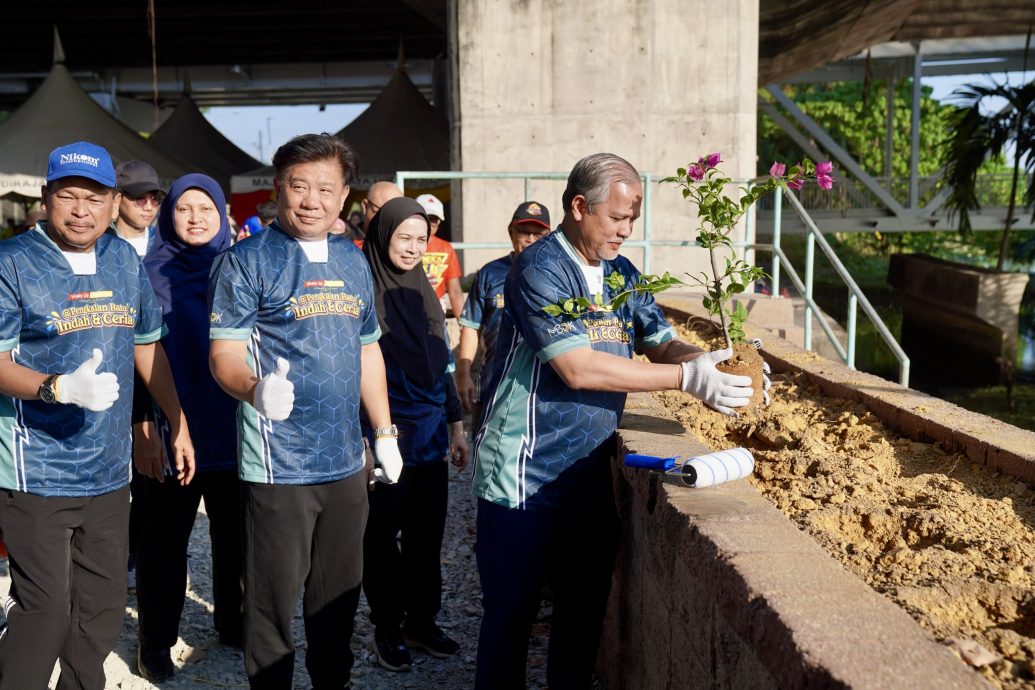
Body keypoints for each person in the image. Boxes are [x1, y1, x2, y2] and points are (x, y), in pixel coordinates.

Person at [472, 153, 761, 690]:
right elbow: (576, 367)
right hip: (523, 473)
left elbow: (659, 341)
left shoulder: (621, 274)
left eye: (634, 218)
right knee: (511, 618)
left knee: (583, 613)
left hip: (586, 470)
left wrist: (708, 362)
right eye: (618, 217)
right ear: (580, 207)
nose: (628, 230)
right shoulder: (538, 270)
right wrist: (685, 382)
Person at [208, 133, 403, 690]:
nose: (311, 200)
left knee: (336, 604)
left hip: (345, 464)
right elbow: (222, 353)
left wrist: (384, 432)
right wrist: (253, 389)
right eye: (299, 186)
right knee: (270, 612)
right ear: (279, 189)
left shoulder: (352, 259)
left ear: (344, 197)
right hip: (278, 467)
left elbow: (368, 350)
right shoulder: (245, 261)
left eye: (325, 188)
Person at [0, 141, 196, 690]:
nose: (81, 210)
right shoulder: (12, 263)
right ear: (46, 198)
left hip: (109, 473)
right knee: (43, 614)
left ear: (114, 203)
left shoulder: (122, 259)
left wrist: (175, 422)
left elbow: (147, 346)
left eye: (94, 198)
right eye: (69, 196)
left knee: (101, 611)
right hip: (35, 469)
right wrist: (56, 387)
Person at [134, 174, 242, 681]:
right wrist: (143, 426)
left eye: (206, 208)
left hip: (234, 425)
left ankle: (234, 622)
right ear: (168, 214)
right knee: (164, 540)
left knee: (237, 535)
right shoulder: (145, 273)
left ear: (222, 214)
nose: (195, 218)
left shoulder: (240, 268)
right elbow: (128, 352)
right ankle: (155, 640)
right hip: (169, 425)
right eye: (184, 209)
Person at [360, 197, 468, 673]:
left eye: (420, 239)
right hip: (383, 434)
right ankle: (386, 627)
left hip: (428, 438)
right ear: (382, 235)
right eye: (402, 237)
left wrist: (456, 424)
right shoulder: (362, 287)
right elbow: (354, 370)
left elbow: (440, 361)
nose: (411, 247)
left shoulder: (421, 288)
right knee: (382, 536)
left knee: (428, 536)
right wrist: (364, 439)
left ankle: (420, 622)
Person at [109, 160, 166, 594]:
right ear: (117, 201)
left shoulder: (170, 247)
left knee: (155, 486)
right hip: (109, 386)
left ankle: (145, 554)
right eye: (138, 196)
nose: (148, 205)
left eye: (155, 197)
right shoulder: (101, 248)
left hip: (166, 381)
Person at [456, 201, 552, 428]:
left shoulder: (556, 276)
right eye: (524, 232)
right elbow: (471, 326)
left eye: (538, 234)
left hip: (540, 387)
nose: (530, 239)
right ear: (511, 233)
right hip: (493, 382)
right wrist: (464, 374)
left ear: (549, 236)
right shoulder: (490, 273)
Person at [415, 193, 464, 319]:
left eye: (434, 219)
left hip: (436, 315)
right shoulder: (404, 245)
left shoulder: (446, 248)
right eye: (427, 217)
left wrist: (463, 324)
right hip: (409, 311)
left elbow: (455, 291)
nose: (431, 223)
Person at [111, 160, 165, 257]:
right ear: (117, 199)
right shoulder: (98, 243)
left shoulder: (165, 242)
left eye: (155, 199)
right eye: (139, 198)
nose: (148, 207)